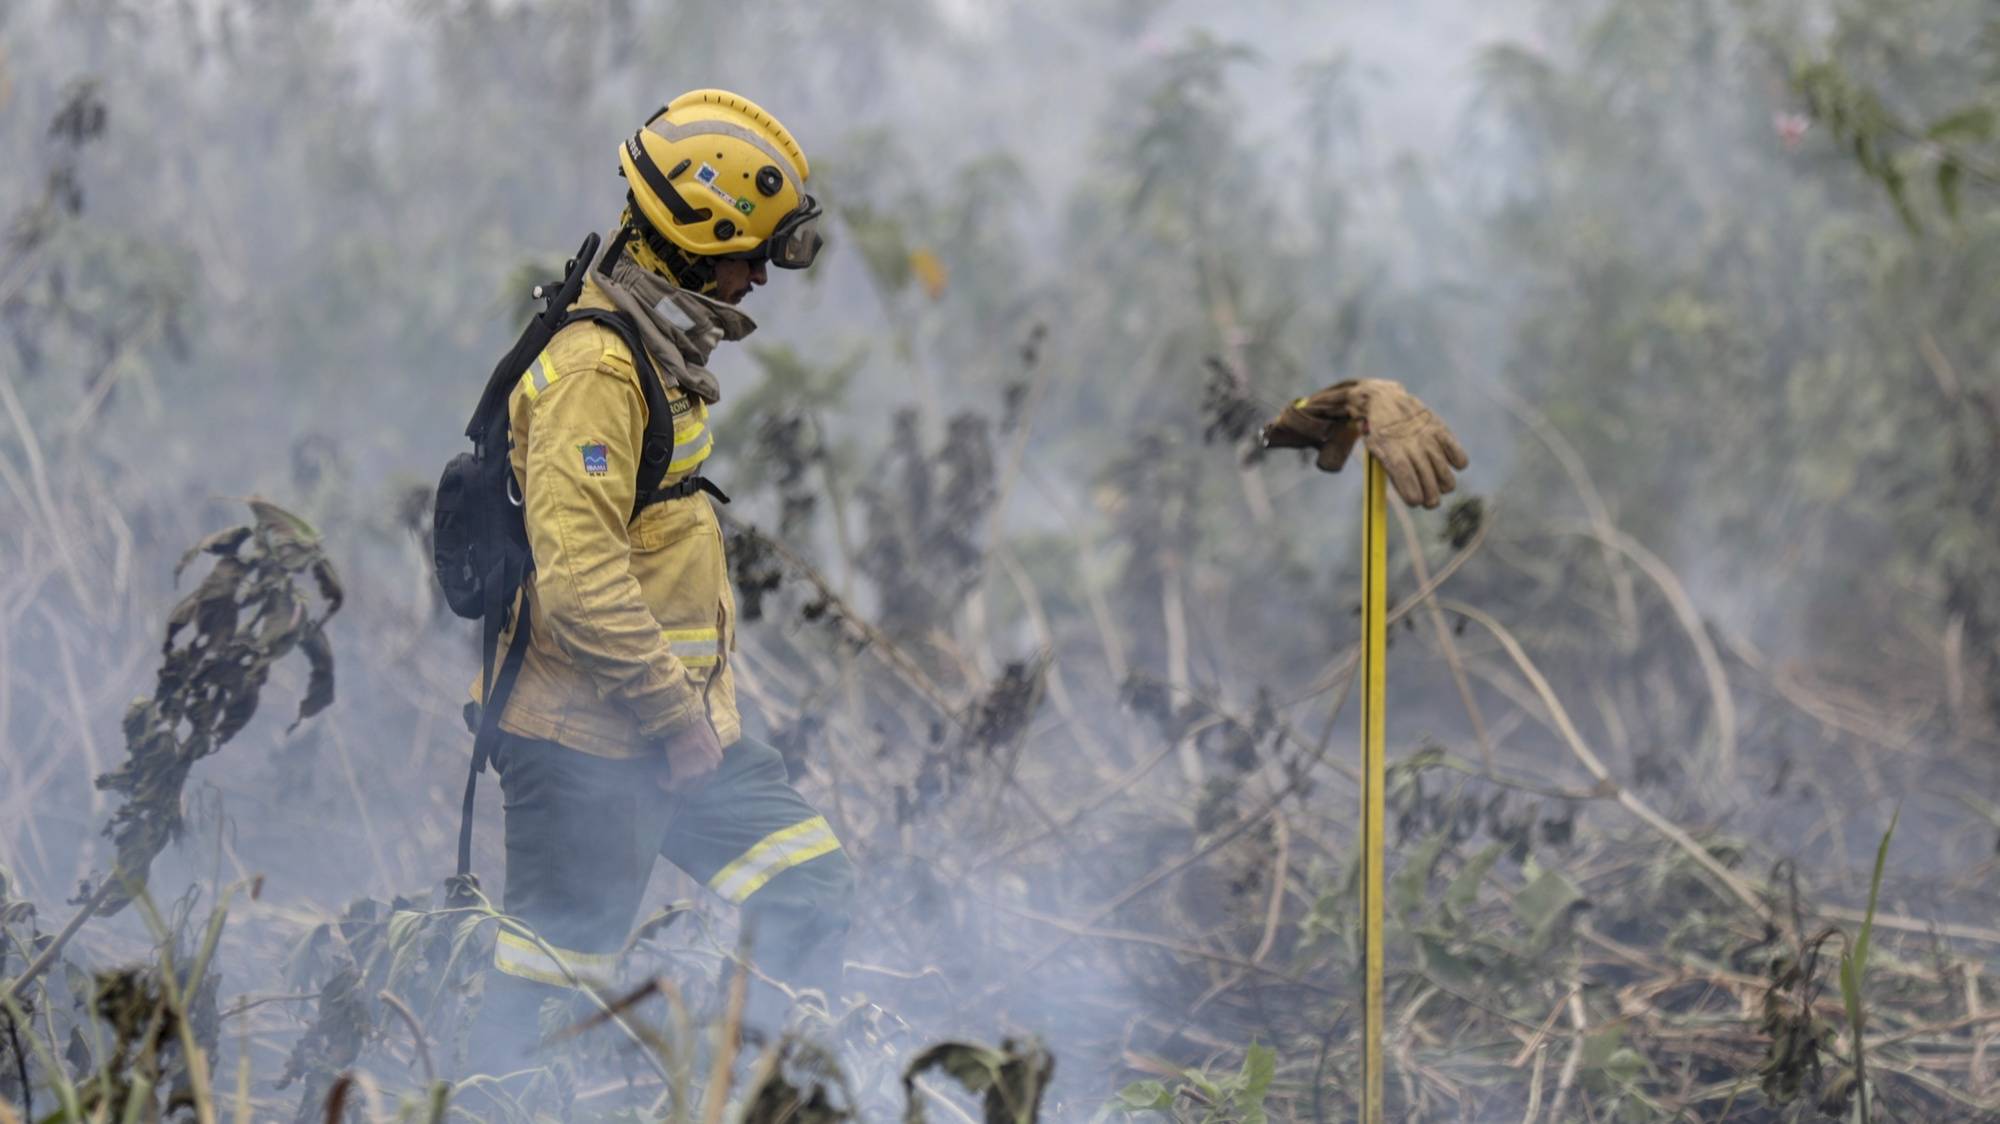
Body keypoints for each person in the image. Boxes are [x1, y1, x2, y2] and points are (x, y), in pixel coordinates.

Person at [465, 90, 853, 1072]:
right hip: (588, 742)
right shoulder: (597, 365)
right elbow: (582, 579)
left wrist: (683, 724)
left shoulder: (653, 348)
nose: (759, 274)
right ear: (692, 240)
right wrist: (673, 719)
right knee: (543, 1016)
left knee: (806, 884)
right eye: (749, 251)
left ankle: (734, 1089)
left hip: (664, 733)